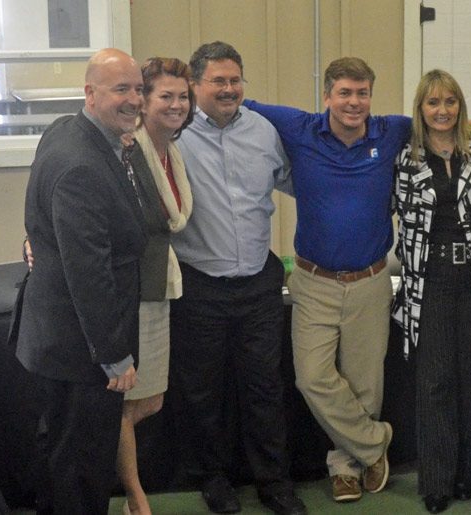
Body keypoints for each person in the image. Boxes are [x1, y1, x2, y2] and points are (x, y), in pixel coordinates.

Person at [243, 57, 411, 503]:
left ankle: (346, 466)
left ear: (370, 97)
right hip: (313, 281)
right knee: (312, 377)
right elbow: (239, 100)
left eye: (362, 93)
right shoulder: (299, 128)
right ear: (327, 95)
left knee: (364, 384)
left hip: (371, 281)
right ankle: (376, 445)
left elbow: (444, 121)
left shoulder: (391, 131)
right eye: (344, 93)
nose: (353, 102)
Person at [169, 41, 306, 515]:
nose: (228, 90)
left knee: (265, 387)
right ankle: (215, 479)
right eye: (217, 81)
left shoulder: (265, 132)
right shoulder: (174, 136)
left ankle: (274, 481)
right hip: (199, 286)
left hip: (258, 283)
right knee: (204, 389)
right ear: (194, 85)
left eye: (235, 80)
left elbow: (296, 182)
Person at [16, 48, 147, 514]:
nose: (134, 99)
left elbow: (42, 222)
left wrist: (38, 243)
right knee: (80, 472)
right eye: (121, 90)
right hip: (82, 352)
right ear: (89, 94)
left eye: (138, 88)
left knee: (66, 464)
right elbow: (89, 274)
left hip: (60, 343)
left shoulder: (65, 131)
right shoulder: (83, 167)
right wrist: (114, 356)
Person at [393, 69, 471, 513]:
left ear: (460, 106)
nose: (442, 111)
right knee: (434, 382)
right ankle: (436, 480)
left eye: (450, 102)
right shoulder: (405, 158)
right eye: (433, 103)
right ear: (421, 109)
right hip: (428, 283)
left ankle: (467, 473)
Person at [117, 57, 194, 515]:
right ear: (142, 101)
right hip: (133, 292)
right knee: (128, 405)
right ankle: (135, 499)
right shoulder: (128, 152)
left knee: (151, 400)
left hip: (159, 286)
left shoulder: (171, 150)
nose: (177, 104)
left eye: (183, 96)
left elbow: (173, 221)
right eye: (165, 95)